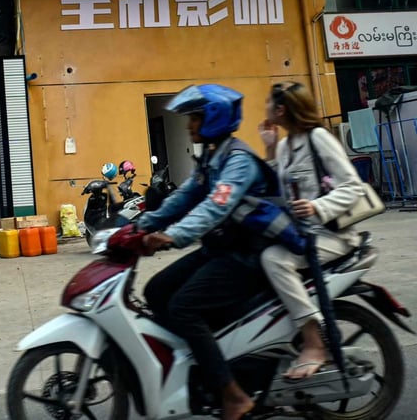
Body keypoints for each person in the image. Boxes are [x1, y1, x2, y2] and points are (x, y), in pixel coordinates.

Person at [137, 84, 271, 420]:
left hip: (244, 256)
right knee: (156, 291)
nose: (188, 125)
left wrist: (173, 236)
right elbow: (183, 198)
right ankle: (208, 361)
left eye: (195, 117)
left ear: (214, 117)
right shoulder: (212, 156)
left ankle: (233, 394)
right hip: (219, 250)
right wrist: (138, 225)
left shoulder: (238, 161)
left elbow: (214, 207)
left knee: (182, 308)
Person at [257, 81, 365, 380]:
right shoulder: (285, 144)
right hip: (300, 233)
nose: (265, 107)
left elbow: (353, 186)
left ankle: (314, 341)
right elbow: (276, 190)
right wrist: (268, 146)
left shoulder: (318, 138)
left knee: (273, 260)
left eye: (269, 102)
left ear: (280, 109)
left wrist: (319, 206)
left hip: (331, 235)